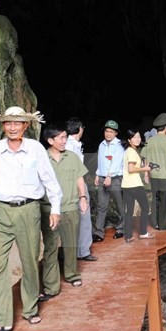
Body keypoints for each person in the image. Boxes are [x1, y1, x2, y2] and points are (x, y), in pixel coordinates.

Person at [0, 106, 62, 331]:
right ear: (2, 125)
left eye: (17, 123)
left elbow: (49, 180)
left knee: (30, 262)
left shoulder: (35, 148)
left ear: (26, 125)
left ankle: (30, 309)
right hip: (1, 211)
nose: (12, 127)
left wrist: (55, 208)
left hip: (28, 210)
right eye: (8, 123)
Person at [39, 124, 88, 302]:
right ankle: (51, 286)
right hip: (49, 209)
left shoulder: (72, 156)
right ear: (50, 140)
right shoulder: (41, 158)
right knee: (50, 247)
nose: (65, 141)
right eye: (61, 138)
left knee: (71, 244)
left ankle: (72, 274)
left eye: (66, 137)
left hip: (69, 207)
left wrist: (83, 197)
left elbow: (79, 178)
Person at [65, 117, 96, 262]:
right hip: (77, 184)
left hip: (67, 186)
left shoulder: (68, 144)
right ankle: (83, 251)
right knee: (84, 217)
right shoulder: (71, 146)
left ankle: (73, 252)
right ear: (80, 129)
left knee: (72, 219)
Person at [93, 119, 125, 242]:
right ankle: (99, 232)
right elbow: (100, 161)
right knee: (101, 205)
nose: (108, 134)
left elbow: (116, 163)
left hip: (114, 178)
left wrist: (109, 176)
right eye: (106, 131)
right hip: (102, 177)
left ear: (116, 133)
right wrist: (97, 174)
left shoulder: (118, 146)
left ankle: (121, 228)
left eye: (111, 132)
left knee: (119, 205)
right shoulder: (101, 144)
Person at [122, 129, 156, 242]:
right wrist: (145, 169)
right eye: (134, 137)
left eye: (139, 137)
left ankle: (128, 235)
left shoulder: (129, 151)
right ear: (129, 140)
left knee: (129, 210)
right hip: (134, 184)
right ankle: (143, 232)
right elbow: (131, 169)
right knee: (145, 207)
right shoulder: (131, 152)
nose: (137, 139)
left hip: (126, 184)